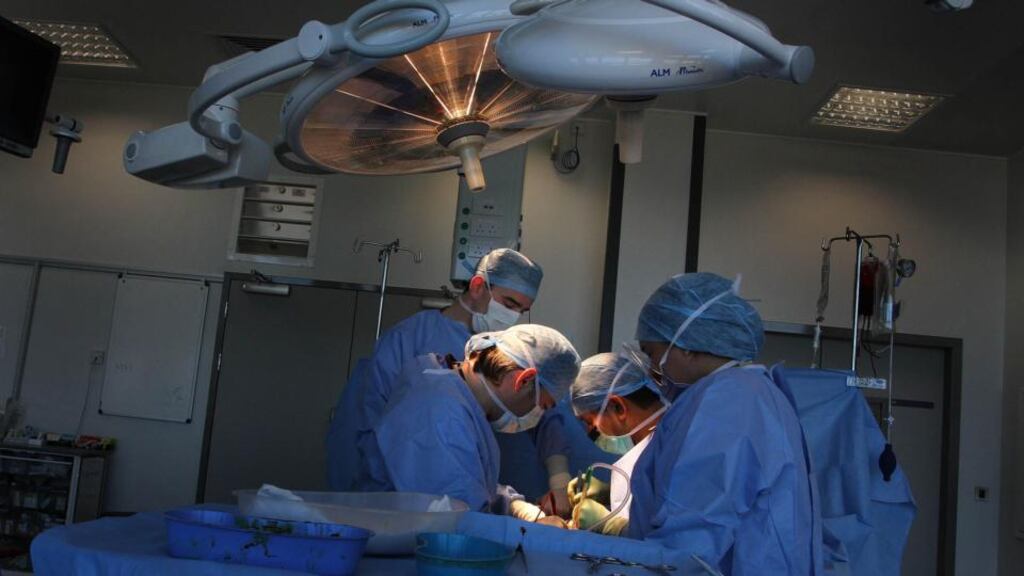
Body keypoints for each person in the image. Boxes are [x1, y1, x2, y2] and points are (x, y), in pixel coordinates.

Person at [626, 273, 818, 575]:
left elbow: (691, 537)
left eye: (651, 352)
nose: (651, 368)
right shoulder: (746, 393)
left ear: (687, 344)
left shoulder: (728, 401)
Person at [326, 248, 555, 492]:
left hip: (464, 489)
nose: (513, 317)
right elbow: (359, 421)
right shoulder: (410, 339)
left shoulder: (507, 352)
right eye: (509, 304)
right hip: (393, 493)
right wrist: (358, 499)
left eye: (521, 311)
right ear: (478, 286)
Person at [359, 324, 580, 521]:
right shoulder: (440, 414)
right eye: (543, 405)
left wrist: (514, 505)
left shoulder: (455, 393)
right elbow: (461, 523)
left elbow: (467, 481)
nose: (537, 414)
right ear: (523, 381)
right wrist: (536, 534)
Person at [566, 352, 670, 534]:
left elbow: (673, 539)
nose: (590, 432)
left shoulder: (673, 451)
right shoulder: (652, 444)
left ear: (618, 408)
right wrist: (610, 492)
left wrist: (613, 526)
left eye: (590, 422)